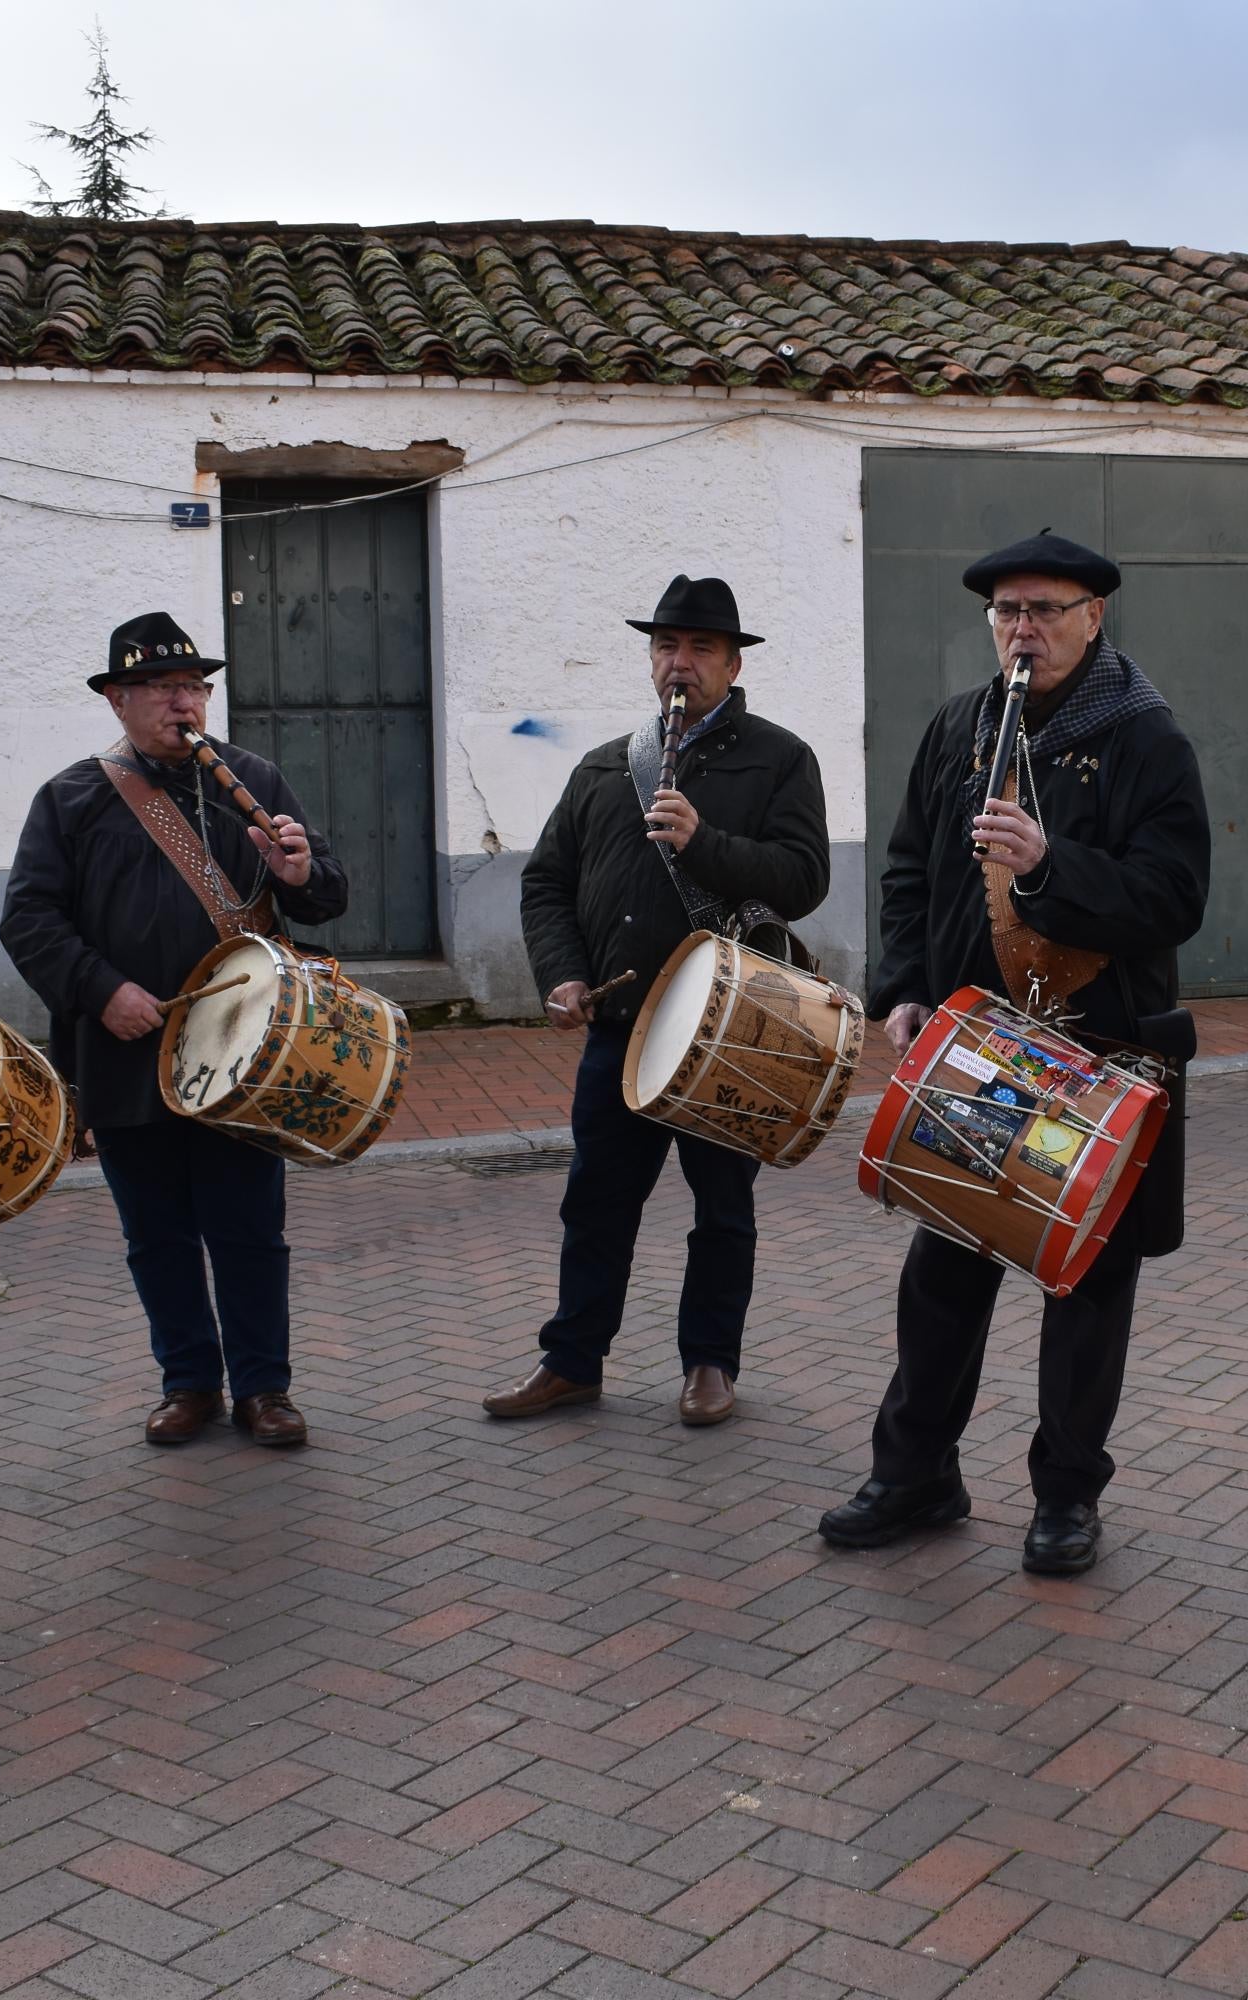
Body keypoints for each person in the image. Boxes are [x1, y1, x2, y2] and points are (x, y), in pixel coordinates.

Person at [820, 531, 1210, 1576]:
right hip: (982, 1049)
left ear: (1094, 615)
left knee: (1085, 1284)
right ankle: (916, 1473)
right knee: (942, 1267)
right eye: (1005, 612)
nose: (1021, 629)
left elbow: (1176, 897)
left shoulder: (1145, 738)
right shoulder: (962, 725)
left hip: (1097, 1055)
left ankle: (1067, 1496)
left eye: (1043, 608)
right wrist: (905, 989)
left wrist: (1053, 865)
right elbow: (909, 869)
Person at [489, 576, 830, 1427]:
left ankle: (710, 1364)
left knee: (722, 1209)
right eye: (666, 648)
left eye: (701, 650)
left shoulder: (779, 757)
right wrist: (561, 976)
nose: (681, 665)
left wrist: (704, 843)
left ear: (732, 662)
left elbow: (805, 878)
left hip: (733, 1030)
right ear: (650, 659)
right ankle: (571, 1362)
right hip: (621, 1027)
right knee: (596, 1204)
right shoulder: (606, 764)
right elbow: (547, 885)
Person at [0, 612, 346, 1450]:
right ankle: (188, 1381)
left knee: (249, 1231)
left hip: (244, 1051)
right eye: (159, 687)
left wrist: (303, 873)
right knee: (157, 1236)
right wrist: (100, 987)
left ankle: (265, 1388)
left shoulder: (253, 777)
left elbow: (325, 893)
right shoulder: (70, 797)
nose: (180, 702)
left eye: (192, 686)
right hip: (124, 1051)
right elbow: (28, 920)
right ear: (118, 700)